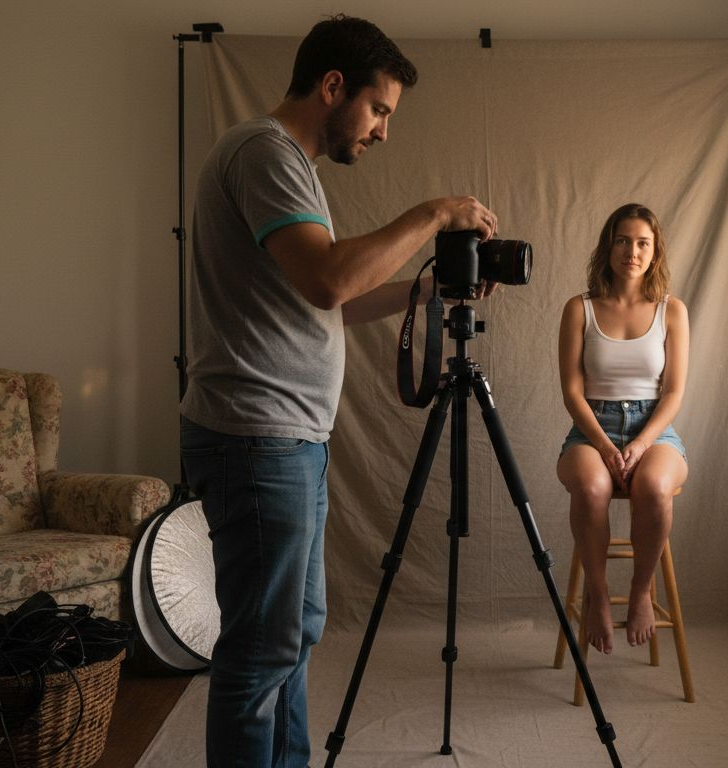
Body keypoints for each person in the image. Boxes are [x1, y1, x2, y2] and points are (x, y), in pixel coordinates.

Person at [179, 15, 498, 768]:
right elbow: (329, 277)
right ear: (333, 87)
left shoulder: (289, 165)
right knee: (260, 652)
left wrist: (422, 291)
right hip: (258, 441)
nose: (384, 131)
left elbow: (335, 301)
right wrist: (433, 214)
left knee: (293, 634)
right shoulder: (265, 152)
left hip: (286, 441)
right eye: (380, 109)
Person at [556, 202, 690, 656]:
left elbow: (673, 392)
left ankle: (639, 591)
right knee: (592, 489)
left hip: (653, 430)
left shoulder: (673, 311)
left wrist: (639, 443)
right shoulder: (580, 309)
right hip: (591, 427)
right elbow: (572, 392)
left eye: (642, 243)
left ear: (654, 252)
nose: (631, 251)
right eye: (622, 240)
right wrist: (604, 444)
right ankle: (596, 595)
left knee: (653, 488)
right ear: (607, 246)